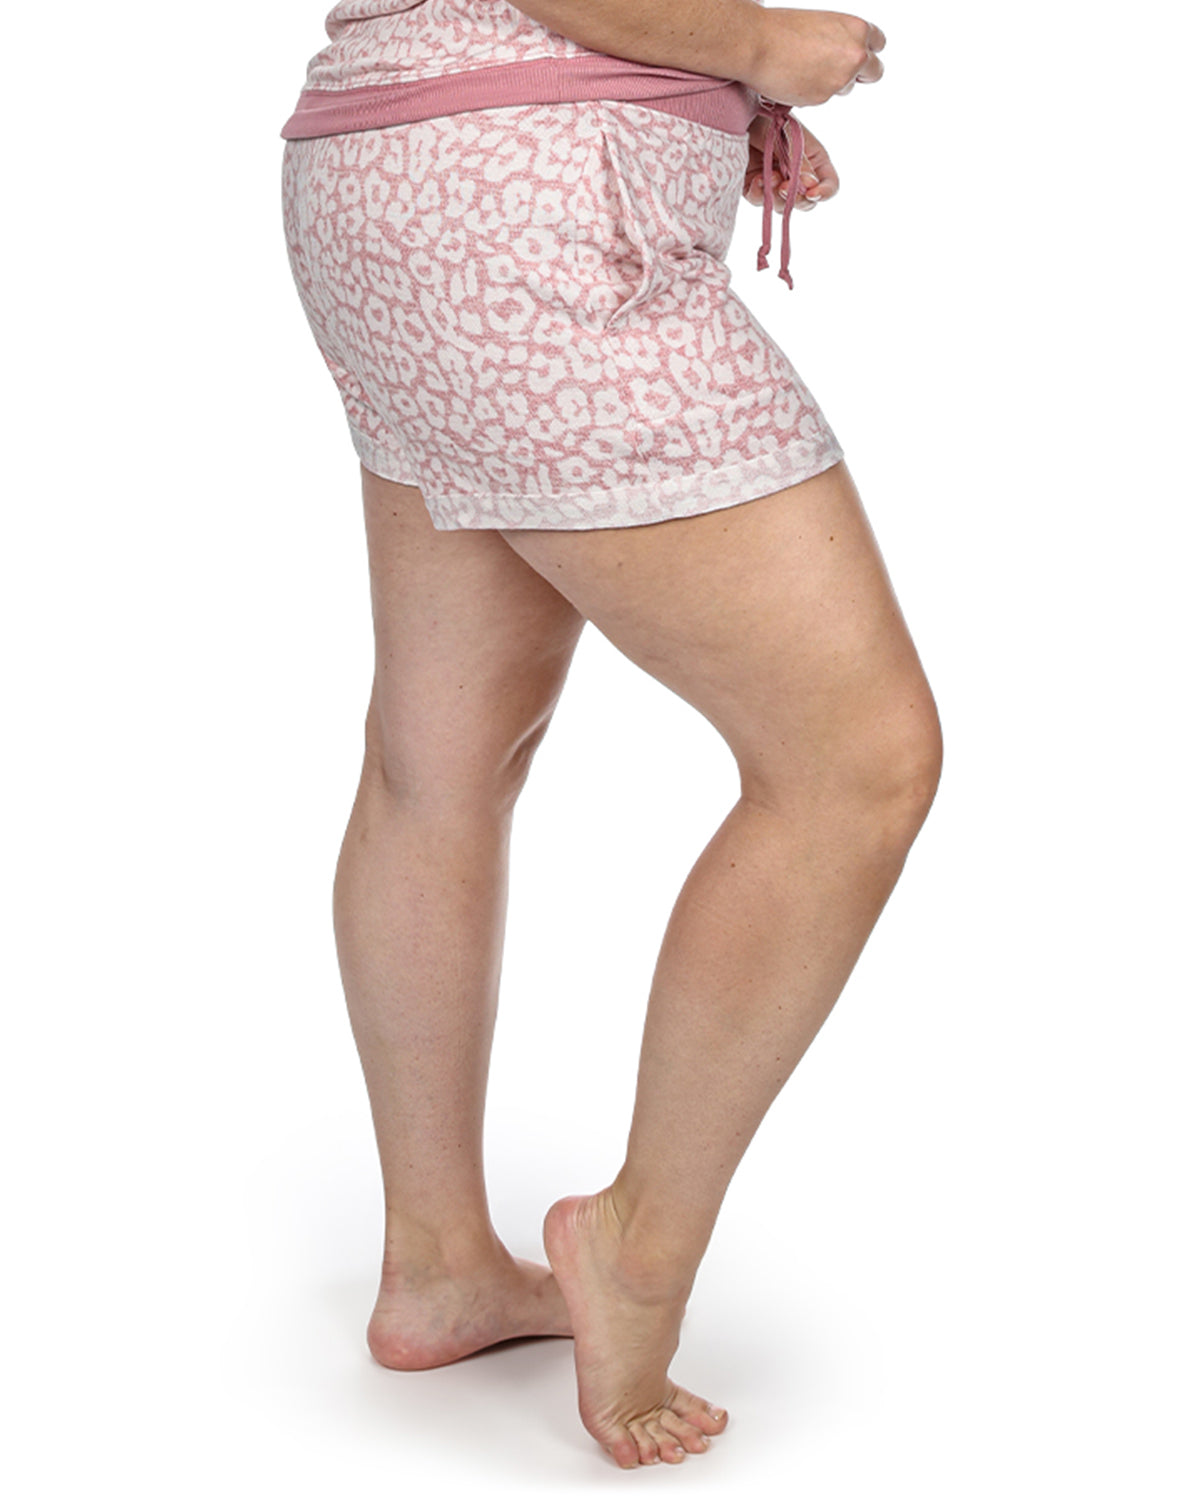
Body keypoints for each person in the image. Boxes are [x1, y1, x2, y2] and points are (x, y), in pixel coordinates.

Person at [280, 0, 941, 1470]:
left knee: (439, 760)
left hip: (405, 180)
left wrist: (698, 86)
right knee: (855, 763)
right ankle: (637, 1246)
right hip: (535, 215)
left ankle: (439, 1263)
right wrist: (754, 47)